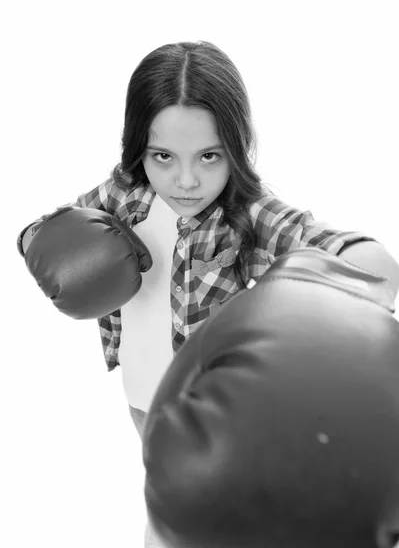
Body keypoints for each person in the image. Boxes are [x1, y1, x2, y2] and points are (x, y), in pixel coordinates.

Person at [17, 40, 399, 548]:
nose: (187, 180)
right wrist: (48, 246)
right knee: (167, 510)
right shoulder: (124, 194)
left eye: (209, 156)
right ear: (138, 149)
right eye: (163, 156)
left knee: (217, 527)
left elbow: (364, 261)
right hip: (142, 398)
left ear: (235, 149)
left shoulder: (250, 213)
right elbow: (39, 229)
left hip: (221, 416)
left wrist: (324, 293)